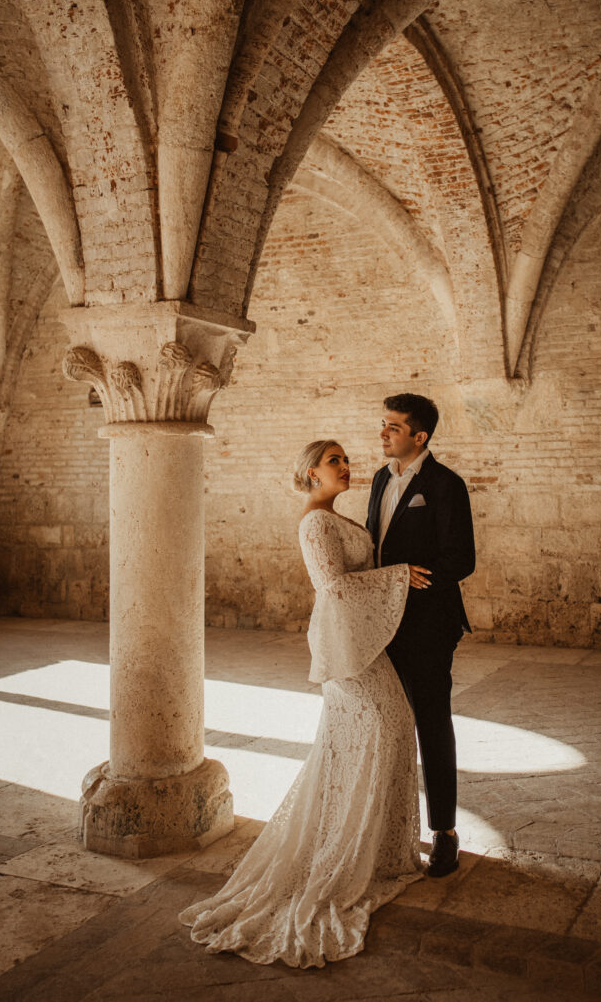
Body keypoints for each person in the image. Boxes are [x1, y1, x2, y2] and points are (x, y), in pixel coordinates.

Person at [179, 439, 432, 968]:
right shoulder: (315, 524)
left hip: (359, 643)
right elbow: (333, 586)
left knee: (382, 730)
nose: (346, 465)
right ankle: (341, 852)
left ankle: (374, 846)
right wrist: (397, 575)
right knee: (380, 727)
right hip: (345, 651)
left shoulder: (336, 518)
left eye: (344, 458)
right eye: (333, 460)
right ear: (311, 473)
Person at [367, 394, 475, 877]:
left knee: (432, 722)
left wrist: (414, 574)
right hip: (379, 624)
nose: (383, 433)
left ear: (420, 436)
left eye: (393, 427)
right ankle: (388, 823)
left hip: (429, 625)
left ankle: (444, 831)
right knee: (385, 723)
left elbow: (461, 558)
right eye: (384, 424)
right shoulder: (378, 480)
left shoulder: (445, 485)